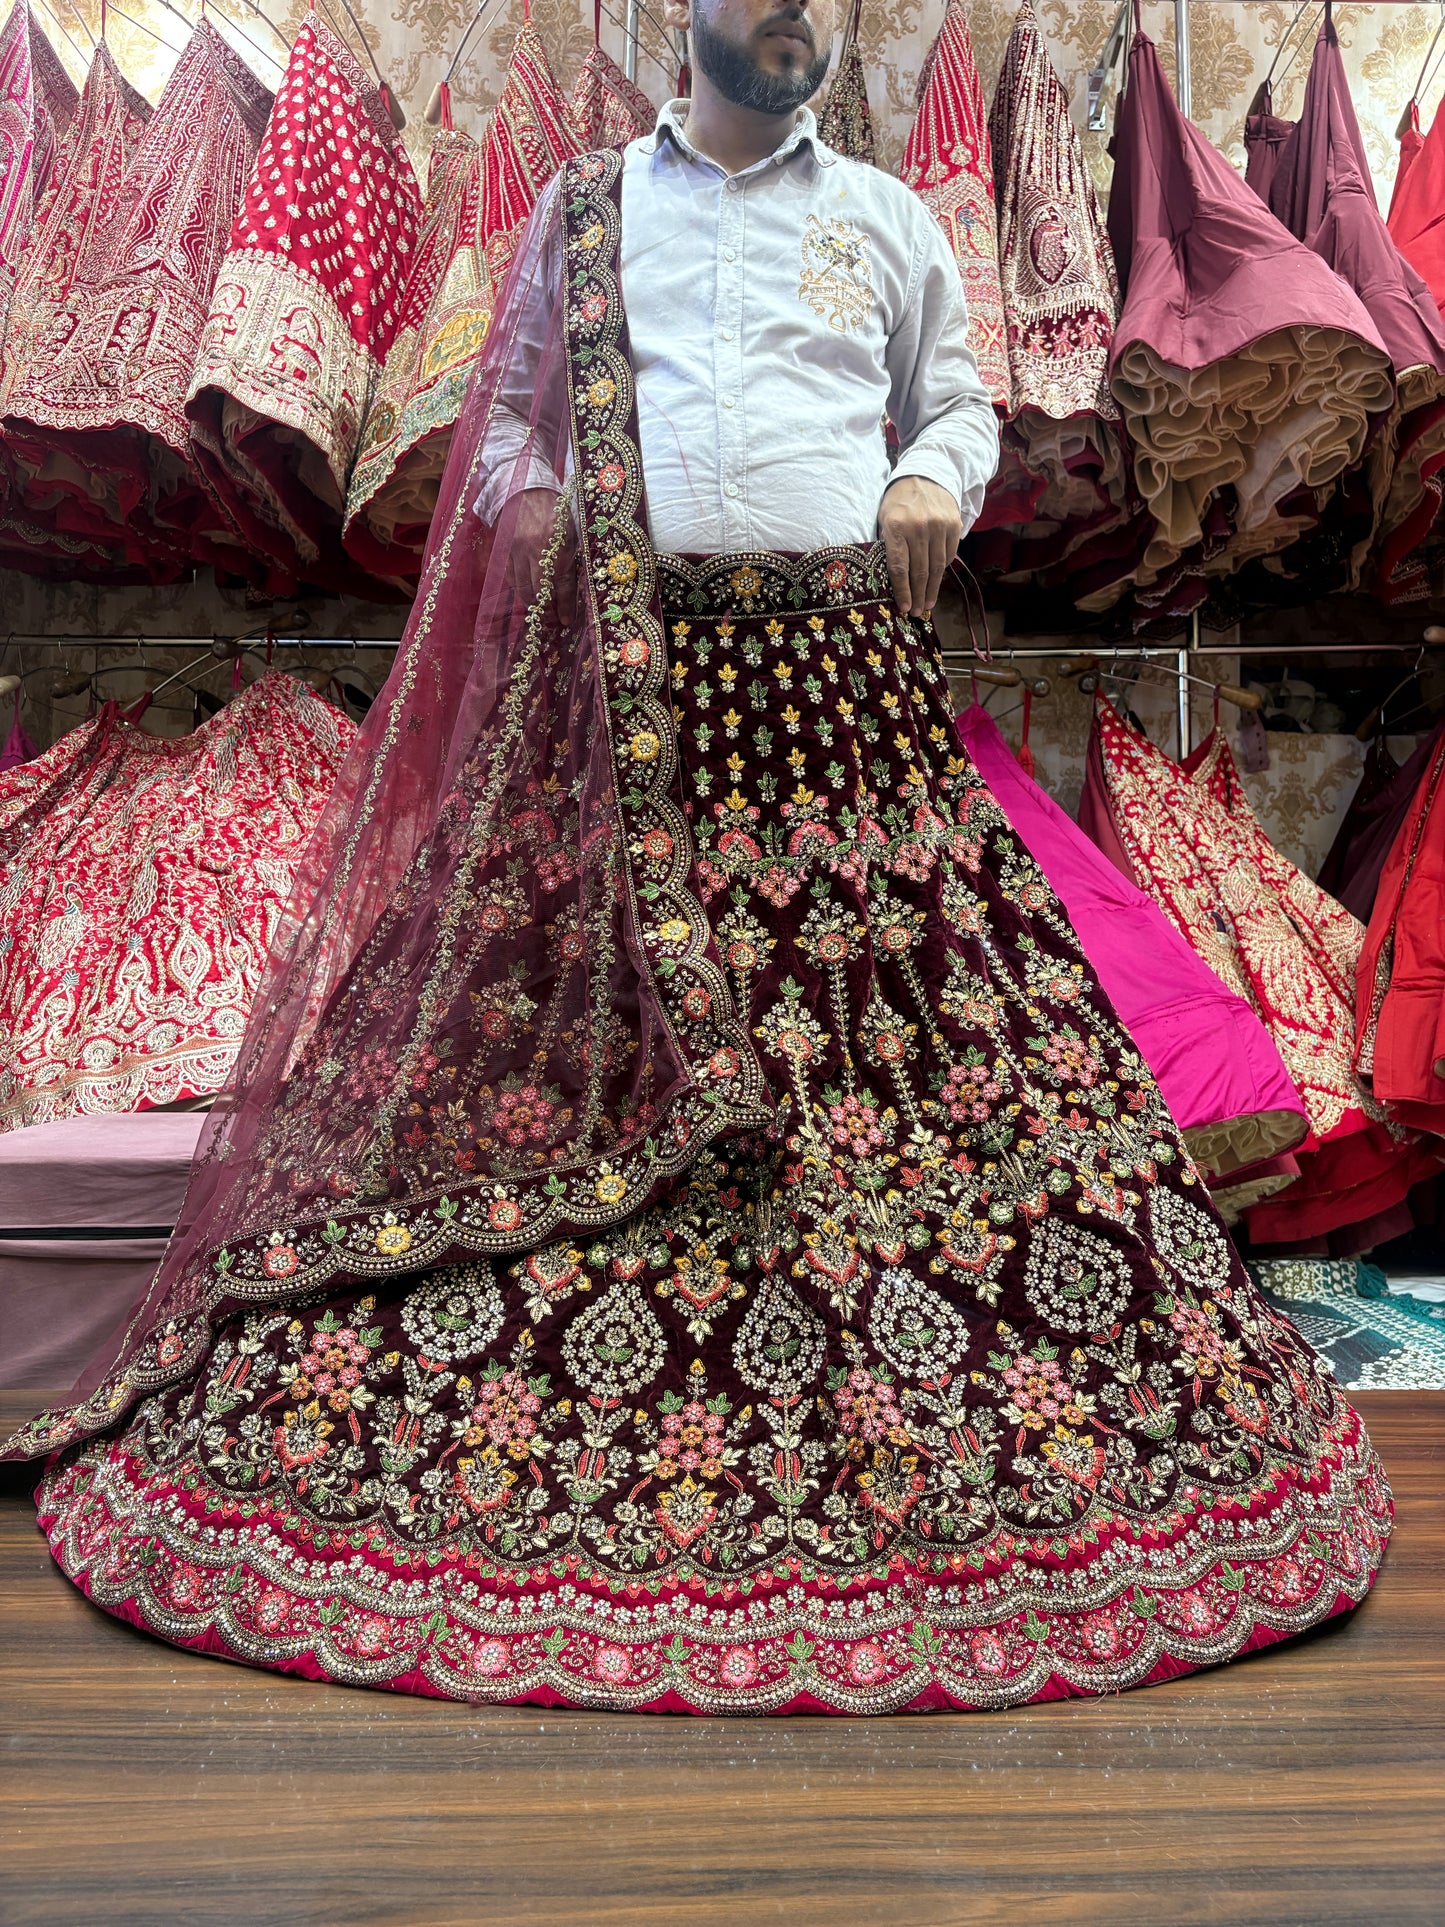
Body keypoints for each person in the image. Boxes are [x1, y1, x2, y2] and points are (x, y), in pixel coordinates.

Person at [10, 0, 1390, 1714]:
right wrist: (529, 500)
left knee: (913, 1046)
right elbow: (508, 425)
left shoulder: (884, 218)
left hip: (840, 700)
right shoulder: (581, 212)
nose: (795, 15)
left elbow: (956, 407)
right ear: (692, 15)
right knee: (542, 1040)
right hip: (625, 700)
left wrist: (928, 479)